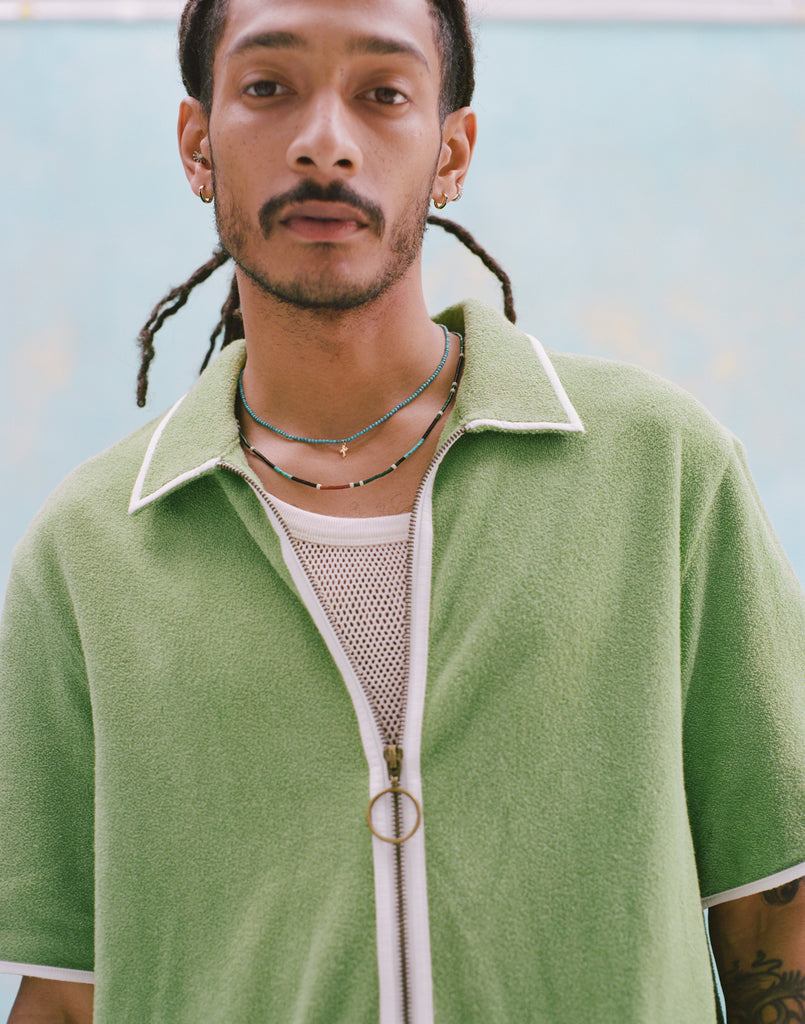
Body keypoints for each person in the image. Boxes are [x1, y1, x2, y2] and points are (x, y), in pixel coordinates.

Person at [2, 0, 805, 1021]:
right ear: (197, 144)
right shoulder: (87, 552)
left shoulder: (663, 473)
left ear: (451, 151)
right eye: (267, 88)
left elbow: (775, 924)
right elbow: (68, 1000)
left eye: (383, 94)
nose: (325, 143)